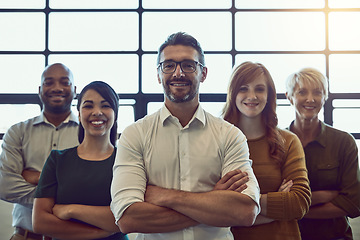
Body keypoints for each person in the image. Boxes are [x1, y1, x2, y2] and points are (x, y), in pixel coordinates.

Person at [110, 32, 260, 240]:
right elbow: (128, 218)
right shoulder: (134, 135)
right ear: (158, 74)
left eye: (189, 65)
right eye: (169, 65)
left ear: (203, 73)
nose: (178, 73)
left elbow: (245, 211)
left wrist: (163, 196)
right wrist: (213, 201)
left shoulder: (230, 136)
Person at [222, 61, 311, 239]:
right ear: (233, 94)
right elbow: (209, 208)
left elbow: (299, 202)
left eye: (260, 89)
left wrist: (241, 205)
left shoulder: (288, 141)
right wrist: (274, 205)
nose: (252, 96)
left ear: (269, 95)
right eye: (243, 88)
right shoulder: (217, 142)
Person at [32, 81, 128, 239]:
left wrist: (70, 210)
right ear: (78, 113)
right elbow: (40, 222)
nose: (97, 112)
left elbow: (128, 218)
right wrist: (100, 232)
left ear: (115, 113)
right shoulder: (57, 160)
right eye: (88, 106)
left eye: (105, 106)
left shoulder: (126, 161)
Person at [0, 63, 79, 240]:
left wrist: (35, 177)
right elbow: (4, 185)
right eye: (49, 82)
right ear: (40, 89)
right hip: (26, 236)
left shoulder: (88, 134)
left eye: (64, 82)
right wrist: (60, 198)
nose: (57, 88)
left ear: (74, 89)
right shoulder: (17, 132)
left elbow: (92, 187)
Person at [285, 67, 360, 240]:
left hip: (335, 236)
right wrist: (322, 197)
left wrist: (294, 211)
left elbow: (353, 204)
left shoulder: (344, 142)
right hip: (288, 236)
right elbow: (273, 198)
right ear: (289, 96)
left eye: (317, 92)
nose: (310, 99)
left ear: (325, 97)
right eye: (302, 92)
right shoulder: (277, 142)